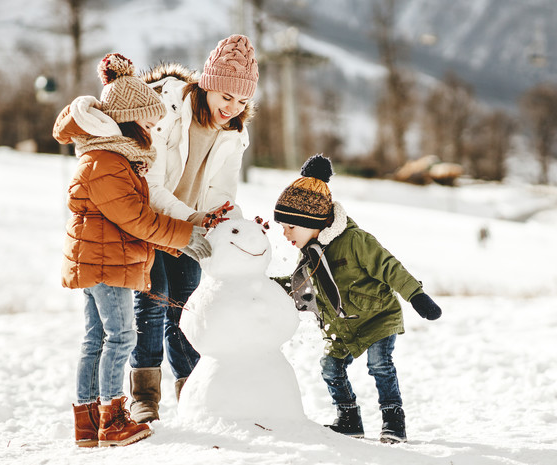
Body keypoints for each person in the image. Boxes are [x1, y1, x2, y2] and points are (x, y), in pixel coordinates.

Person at [54, 52, 212, 447]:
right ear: (127, 120)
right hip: (106, 263)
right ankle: (112, 419)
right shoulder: (106, 162)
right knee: (121, 337)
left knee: (96, 339)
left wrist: (174, 241)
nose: (152, 131)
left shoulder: (113, 158)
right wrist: (184, 235)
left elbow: (132, 220)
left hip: (102, 259)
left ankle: (88, 423)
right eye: (147, 123)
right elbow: (137, 218)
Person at [127, 34, 259, 423]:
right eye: (226, 96)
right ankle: (144, 397)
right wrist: (192, 220)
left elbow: (222, 193)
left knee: (186, 309)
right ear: (207, 85)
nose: (232, 108)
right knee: (153, 303)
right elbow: (151, 185)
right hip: (150, 221)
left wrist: (234, 226)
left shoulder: (234, 132)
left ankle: (194, 394)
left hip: (191, 228)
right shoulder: (167, 110)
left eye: (242, 101)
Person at [273, 154, 443, 444]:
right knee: (330, 366)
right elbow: (298, 287)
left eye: (290, 226)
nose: (285, 233)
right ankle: (349, 419)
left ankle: (393, 421)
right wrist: (262, 287)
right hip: (342, 326)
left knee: (379, 365)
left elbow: (389, 267)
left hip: (377, 317)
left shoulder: (355, 241)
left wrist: (416, 296)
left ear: (311, 221)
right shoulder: (310, 253)